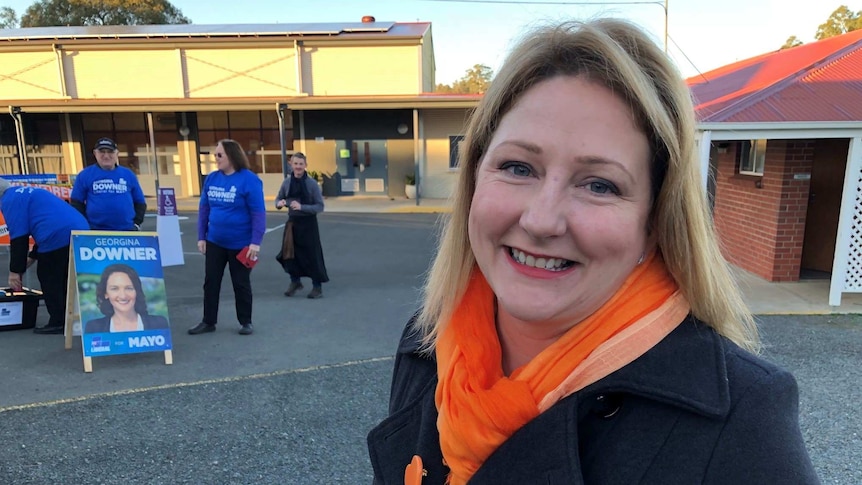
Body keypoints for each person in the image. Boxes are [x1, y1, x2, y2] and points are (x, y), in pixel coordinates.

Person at [367, 19, 820, 484]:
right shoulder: (430, 340)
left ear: (655, 223)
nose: (541, 220)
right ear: (475, 179)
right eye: (518, 167)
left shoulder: (742, 419)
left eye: (600, 185)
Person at [188, 139, 265, 336]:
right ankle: (208, 321)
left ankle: (245, 321)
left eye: (219, 155)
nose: (216, 159)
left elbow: (258, 213)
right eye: (215, 155)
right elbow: (204, 209)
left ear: (231, 155)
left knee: (240, 283)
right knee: (211, 282)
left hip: (241, 244)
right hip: (215, 241)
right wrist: (201, 237)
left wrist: (255, 242)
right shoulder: (212, 179)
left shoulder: (249, 180)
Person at [0, 179, 90, 335]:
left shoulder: (9, 201)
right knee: (66, 276)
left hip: (57, 235)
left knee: (49, 276)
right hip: (79, 228)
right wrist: (32, 257)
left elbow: (19, 237)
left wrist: (15, 271)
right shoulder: (25, 193)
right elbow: (46, 222)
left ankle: (58, 321)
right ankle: (76, 316)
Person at [275, 152, 329, 299]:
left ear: (306, 165)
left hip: (309, 224)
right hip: (292, 223)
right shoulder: (286, 183)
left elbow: (320, 206)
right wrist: (279, 204)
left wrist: (302, 207)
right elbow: (279, 198)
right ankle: (295, 282)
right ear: (291, 165)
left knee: (312, 256)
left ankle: (317, 287)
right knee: (289, 254)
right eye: (295, 164)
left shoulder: (312, 184)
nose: (298, 167)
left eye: (301, 164)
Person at [70, 137, 147, 231]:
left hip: (127, 231)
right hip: (95, 232)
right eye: (102, 152)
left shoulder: (128, 174)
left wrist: (136, 224)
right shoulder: (85, 175)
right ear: (95, 153)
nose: (106, 156)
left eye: (110, 151)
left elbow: (140, 203)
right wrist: (85, 225)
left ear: (116, 154)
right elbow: (76, 203)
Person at [84, 264, 170, 333]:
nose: (123, 296)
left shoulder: (159, 323)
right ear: (106, 294)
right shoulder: (94, 328)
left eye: (129, 288)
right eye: (115, 288)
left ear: (136, 291)